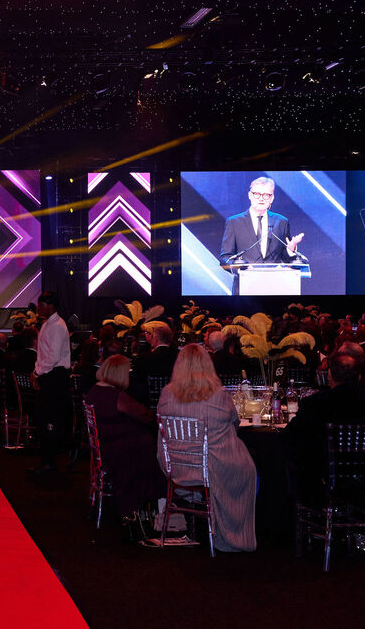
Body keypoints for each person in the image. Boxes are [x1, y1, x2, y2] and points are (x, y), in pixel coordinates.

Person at [156, 344, 257, 552]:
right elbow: (235, 423)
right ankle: (236, 527)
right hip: (213, 468)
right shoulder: (219, 395)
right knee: (249, 468)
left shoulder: (166, 394)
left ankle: (205, 516)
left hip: (177, 466)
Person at [83, 355, 163, 539]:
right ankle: (152, 511)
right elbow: (145, 415)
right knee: (155, 459)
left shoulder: (94, 391)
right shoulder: (116, 397)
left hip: (104, 449)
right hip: (120, 453)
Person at [284, 352, 365, 507]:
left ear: (329, 375)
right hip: (364, 481)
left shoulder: (314, 404)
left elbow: (290, 438)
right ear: (359, 377)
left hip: (322, 485)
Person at [218, 176, 304, 295]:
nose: (261, 198)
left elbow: (286, 259)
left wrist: (290, 250)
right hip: (245, 287)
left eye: (266, 195)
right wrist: (238, 267)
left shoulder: (281, 222)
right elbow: (225, 258)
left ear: (272, 198)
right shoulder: (234, 222)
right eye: (257, 194)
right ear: (250, 195)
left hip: (275, 287)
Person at [33, 291, 71, 473]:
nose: (38, 308)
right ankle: (46, 461)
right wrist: (36, 371)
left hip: (55, 375)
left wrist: (38, 372)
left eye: (41, 305)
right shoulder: (48, 324)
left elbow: (53, 357)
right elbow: (42, 353)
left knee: (50, 418)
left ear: (52, 306)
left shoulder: (57, 326)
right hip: (48, 374)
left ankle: (49, 462)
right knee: (44, 417)